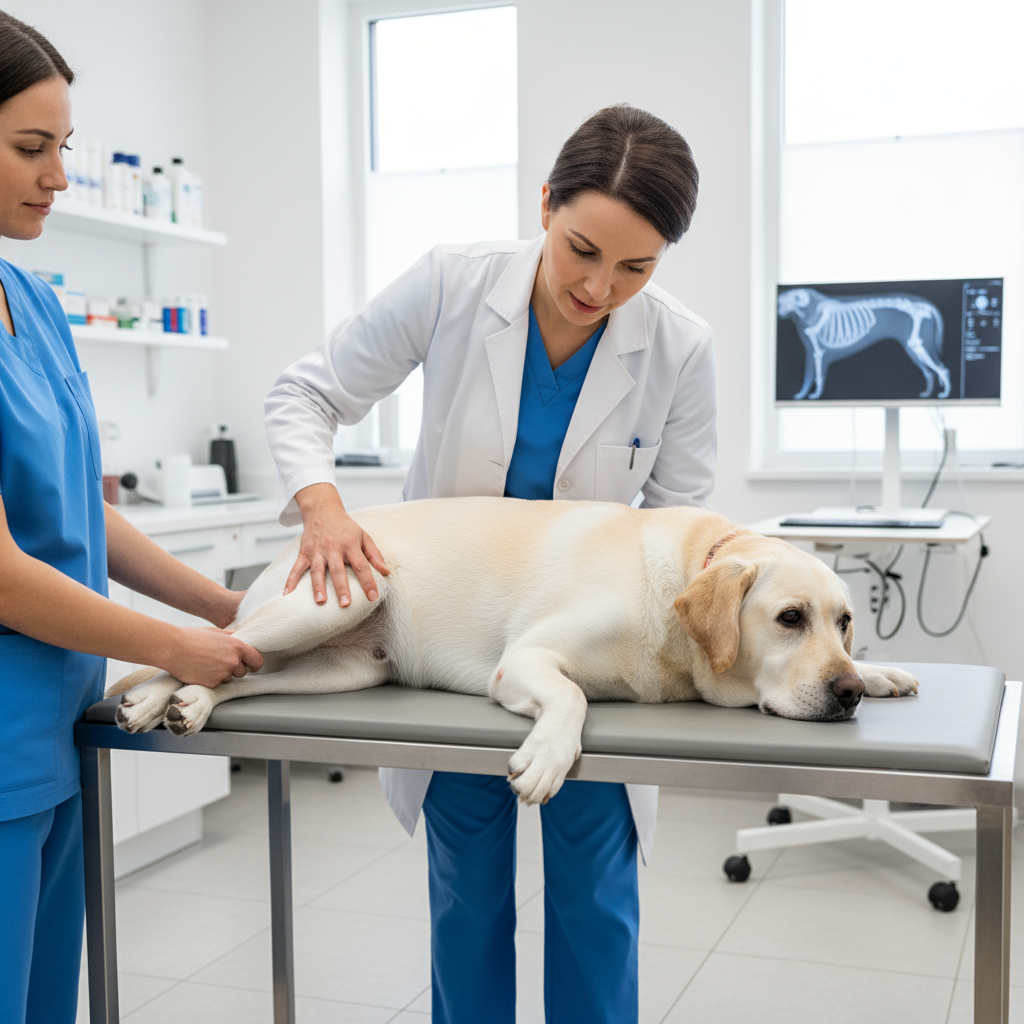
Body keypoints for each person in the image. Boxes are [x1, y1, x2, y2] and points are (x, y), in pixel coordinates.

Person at [265, 104, 716, 1024]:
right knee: (466, 894)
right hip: (455, 644)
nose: (600, 287)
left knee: (595, 897)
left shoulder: (679, 345)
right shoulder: (453, 284)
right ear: (545, 203)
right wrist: (322, 510)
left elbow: (681, 529)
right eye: (582, 249)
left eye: (637, 267)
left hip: (591, 657)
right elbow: (308, 391)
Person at [0, 14, 263, 1024]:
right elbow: (3, 571)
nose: (57, 176)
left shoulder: (34, 300)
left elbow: (79, 511)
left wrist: (227, 605)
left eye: (62, 147)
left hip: (64, 726)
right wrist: (174, 646)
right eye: (31, 148)